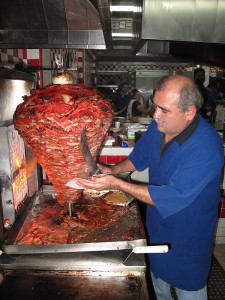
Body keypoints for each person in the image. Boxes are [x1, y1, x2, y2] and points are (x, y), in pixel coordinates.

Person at [77, 75, 224, 300]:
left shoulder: (207, 146)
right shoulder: (159, 127)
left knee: (189, 291)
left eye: (164, 110)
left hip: (188, 234)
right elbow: (139, 156)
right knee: (159, 287)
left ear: (190, 113)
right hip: (157, 225)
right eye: (155, 105)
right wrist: (113, 171)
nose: (155, 115)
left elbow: (172, 196)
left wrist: (117, 184)